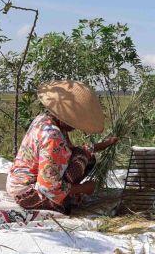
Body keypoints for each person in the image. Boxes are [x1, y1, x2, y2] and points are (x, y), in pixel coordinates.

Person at [6, 80, 118, 213]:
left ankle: (70, 193)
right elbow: (48, 188)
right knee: (81, 159)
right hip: (28, 194)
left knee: (85, 156)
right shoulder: (53, 136)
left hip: (16, 183)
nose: (77, 126)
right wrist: (83, 188)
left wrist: (103, 145)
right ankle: (66, 199)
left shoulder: (45, 118)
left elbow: (69, 152)